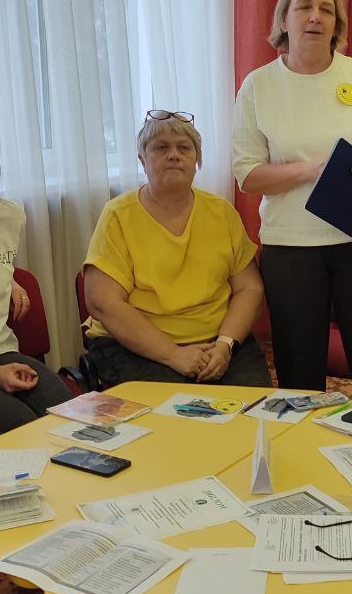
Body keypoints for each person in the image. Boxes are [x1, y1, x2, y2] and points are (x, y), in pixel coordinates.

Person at [232, 0, 352, 402]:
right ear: (284, 19)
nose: (315, 16)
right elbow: (248, 174)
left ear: (336, 22)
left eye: (326, 9)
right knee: (299, 371)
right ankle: (304, 443)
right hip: (292, 249)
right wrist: (312, 170)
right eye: (304, 7)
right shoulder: (258, 86)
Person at [83, 111, 271, 387]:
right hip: (136, 348)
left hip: (218, 342)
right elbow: (103, 302)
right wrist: (173, 354)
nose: (174, 155)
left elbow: (250, 288)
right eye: (161, 148)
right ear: (142, 159)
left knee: (254, 408)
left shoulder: (221, 212)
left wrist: (225, 344)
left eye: (184, 148)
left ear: (197, 160)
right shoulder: (117, 216)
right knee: (177, 411)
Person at [0, 116, 74, 437]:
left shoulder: (7, 215)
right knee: (27, 431)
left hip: (1, 349)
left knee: (76, 418)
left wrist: (10, 278)